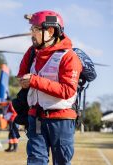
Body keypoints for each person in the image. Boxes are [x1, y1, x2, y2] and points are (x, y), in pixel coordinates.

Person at [17, 10, 82, 165]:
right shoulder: (32, 53)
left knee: (62, 162)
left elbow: (67, 90)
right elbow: (21, 75)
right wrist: (23, 81)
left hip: (61, 120)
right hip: (36, 118)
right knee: (35, 161)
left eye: (35, 29)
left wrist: (34, 81)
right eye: (31, 29)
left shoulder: (69, 57)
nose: (31, 33)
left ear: (50, 31)